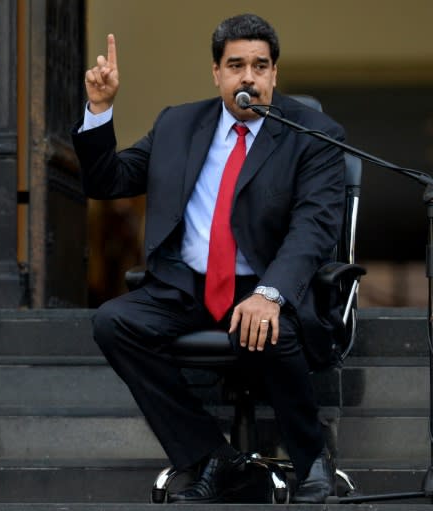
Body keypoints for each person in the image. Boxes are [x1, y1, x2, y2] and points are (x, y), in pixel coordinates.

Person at [73, 14, 345, 504]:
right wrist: (99, 109)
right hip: (187, 283)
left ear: (274, 75)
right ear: (216, 73)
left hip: (265, 281)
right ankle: (209, 453)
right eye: (236, 65)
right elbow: (107, 182)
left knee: (272, 331)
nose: (248, 77)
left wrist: (269, 294)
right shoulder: (178, 123)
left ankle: (311, 459)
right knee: (114, 322)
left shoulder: (313, 133)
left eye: (260, 67)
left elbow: (314, 228)